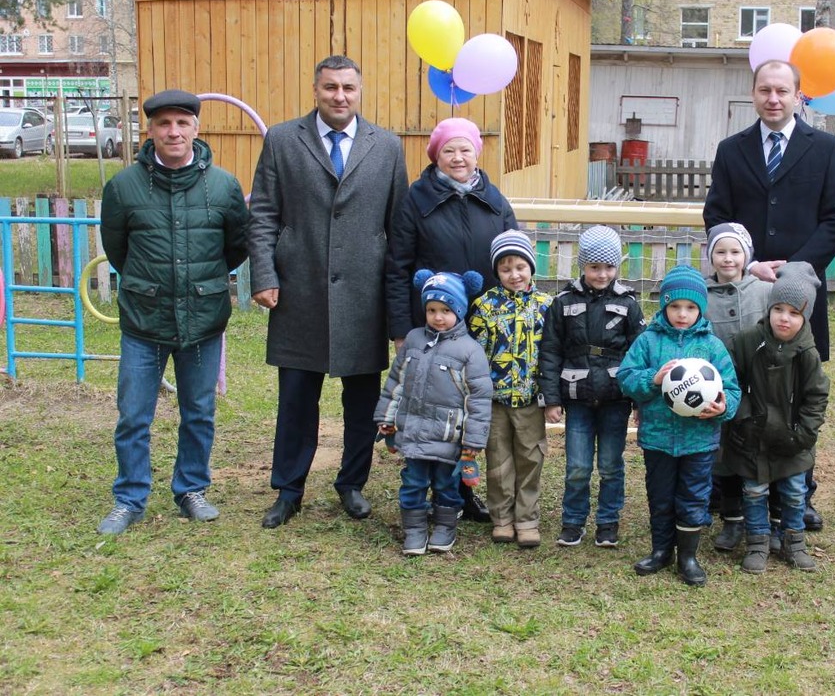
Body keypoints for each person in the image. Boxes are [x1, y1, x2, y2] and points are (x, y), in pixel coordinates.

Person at [247, 55, 409, 529]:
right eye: (331, 88)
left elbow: (397, 228)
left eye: (348, 88)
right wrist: (264, 275)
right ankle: (288, 489)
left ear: (360, 92)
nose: (340, 96)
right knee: (296, 399)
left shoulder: (387, 146)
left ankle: (351, 484)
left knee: (361, 402)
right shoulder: (281, 140)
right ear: (315, 90)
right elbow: (263, 216)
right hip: (300, 292)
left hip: (365, 296)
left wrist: (397, 302)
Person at [701, 58, 835, 532]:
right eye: (765, 90)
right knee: (739, 391)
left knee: (792, 394)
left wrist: (795, 268)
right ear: (753, 94)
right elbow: (717, 214)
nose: (773, 98)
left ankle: (797, 496)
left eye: (782, 91)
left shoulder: (826, 148)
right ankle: (734, 494)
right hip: (741, 295)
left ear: (798, 96)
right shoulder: (732, 150)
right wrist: (748, 263)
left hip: (798, 292)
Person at [96, 89, 249, 534]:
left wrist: (198, 285)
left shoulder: (222, 185)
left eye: (182, 123)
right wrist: (151, 285)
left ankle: (191, 489)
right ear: (151, 131)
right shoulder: (124, 187)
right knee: (134, 415)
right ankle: (129, 498)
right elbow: (117, 250)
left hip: (202, 320)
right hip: (144, 322)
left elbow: (234, 248)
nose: (174, 131)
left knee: (198, 411)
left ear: (196, 129)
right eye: (164, 123)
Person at [385, 116, 518, 523]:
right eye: (448, 150)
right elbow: (397, 267)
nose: (458, 158)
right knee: (435, 403)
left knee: (473, 406)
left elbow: (515, 262)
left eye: (465, 149)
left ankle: (463, 491)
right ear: (435, 156)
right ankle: (422, 489)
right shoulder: (416, 200)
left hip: (485, 324)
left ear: (476, 153)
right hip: (436, 324)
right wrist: (399, 331)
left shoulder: (495, 201)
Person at [618, 266, 740, 586]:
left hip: (698, 441)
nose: (682, 314)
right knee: (660, 496)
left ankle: (687, 556)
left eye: (690, 308)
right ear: (664, 307)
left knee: (693, 497)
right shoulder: (648, 341)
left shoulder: (712, 346)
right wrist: (653, 379)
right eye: (674, 307)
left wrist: (723, 407)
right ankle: (661, 551)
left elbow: (733, 389)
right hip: (658, 438)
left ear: (700, 309)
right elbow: (627, 378)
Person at [538, 225, 646, 548]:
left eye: (609, 267)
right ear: (582, 265)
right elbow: (550, 351)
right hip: (578, 398)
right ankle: (573, 521)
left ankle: (608, 522)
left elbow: (640, 353)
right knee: (578, 466)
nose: (602, 274)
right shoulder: (563, 303)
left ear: (617, 266)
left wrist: (640, 401)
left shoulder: (628, 304)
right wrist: (551, 398)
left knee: (612, 465)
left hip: (615, 397)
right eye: (595, 267)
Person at [375, 271, 493, 555]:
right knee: (413, 482)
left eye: (446, 310)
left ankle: (444, 527)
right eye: (431, 310)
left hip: (448, 437)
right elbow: (396, 383)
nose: (438, 317)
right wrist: (386, 419)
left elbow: (479, 399)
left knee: (447, 484)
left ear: (460, 310)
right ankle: (414, 530)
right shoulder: (414, 340)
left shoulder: (470, 351)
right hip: (414, 433)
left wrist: (474, 441)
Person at [729, 262, 830, 574]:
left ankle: (792, 542)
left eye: (794, 313)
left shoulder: (808, 353)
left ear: (805, 317)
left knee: (795, 492)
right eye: (779, 309)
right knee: (754, 491)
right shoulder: (747, 342)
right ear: (769, 308)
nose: (784, 318)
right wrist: (745, 419)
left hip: (792, 439)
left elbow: (816, 397)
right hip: (753, 436)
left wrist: (804, 433)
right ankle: (757, 542)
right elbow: (732, 383)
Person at [468, 230, 554, 548]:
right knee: (499, 459)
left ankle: (527, 518)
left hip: (531, 398)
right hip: (495, 400)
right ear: (497, 272)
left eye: (520, 267)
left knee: (531, 458)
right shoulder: (484, 307)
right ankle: (501, 518)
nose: (514, 274)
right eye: (506, 269)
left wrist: (551, 392)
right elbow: (474, 354)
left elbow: (553, 352)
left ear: (531, 266)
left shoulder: (547, 306)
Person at [703, 222, 770, 554]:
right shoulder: (701, 295)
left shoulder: (763, 291)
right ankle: (731, 520)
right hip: (716, 390)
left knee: (755, 452)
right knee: (724, 454)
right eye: (720, 252)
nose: (728, 259)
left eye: (734, 252)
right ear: (710, 256)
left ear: (746, 255)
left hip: (756, 389)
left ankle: (762, 518)